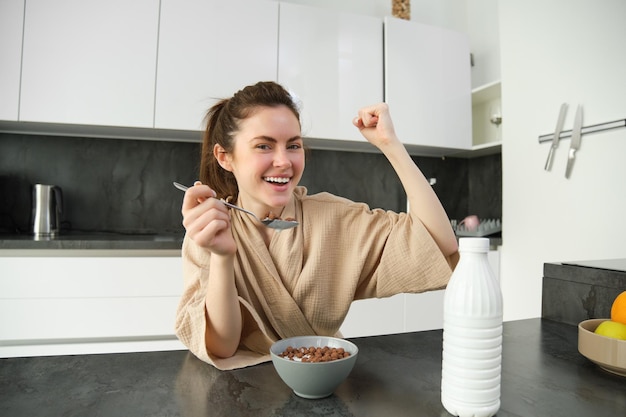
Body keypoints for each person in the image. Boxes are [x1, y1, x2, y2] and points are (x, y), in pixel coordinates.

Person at [175, 81, 459, 370]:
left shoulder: (334, 219)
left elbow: (438, 244)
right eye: (264, 145)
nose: (284, 161)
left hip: (323, 377)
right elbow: (222, 347)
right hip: (243, 389)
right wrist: (223, 256)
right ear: (225, 157)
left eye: (293, 145)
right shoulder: (209, 230)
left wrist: (391, 145)